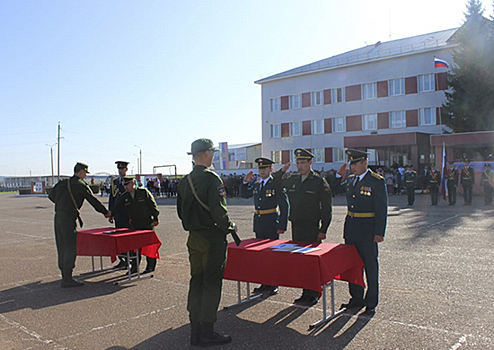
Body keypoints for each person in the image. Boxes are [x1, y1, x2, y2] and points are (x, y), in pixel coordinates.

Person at [177, 138, 236, 347]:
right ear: (206, 154)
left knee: (197, 281)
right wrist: (230, 227)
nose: (213, 156)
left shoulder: (185, 181)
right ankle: (207, 332)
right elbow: (220, 213)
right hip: (212, 238)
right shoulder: (212, 179)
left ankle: (195, 331)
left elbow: (181, 214)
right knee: (211, 284)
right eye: (212, 153)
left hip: (194, 237)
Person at [272, 148, 332, 307]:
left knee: (312, 262)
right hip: (297, 225)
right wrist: (282, 170)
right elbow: (275, 182)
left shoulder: (319, 182)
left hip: (312, 226)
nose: (300, 166)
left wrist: (323, 229)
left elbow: (326, 208)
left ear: (310, 163)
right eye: (298, 163)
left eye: (303, 163)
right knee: (301, 261)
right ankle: (305, 292)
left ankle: (314, 293)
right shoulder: (292, 179)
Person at [332, 149, 387, 315]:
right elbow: (333, 190)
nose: (353, 166)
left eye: (356, 163)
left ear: (365, 162)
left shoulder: (376, 181)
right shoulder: (350, 180)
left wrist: (379, 232)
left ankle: (371, 301)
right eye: (351, 163)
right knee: (353, 266)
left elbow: (381, 208)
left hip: (368, 229)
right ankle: (356, 299)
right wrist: (337, 176)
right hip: (352, 228)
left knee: (370, 266)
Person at [48, 162, 110, 288]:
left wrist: (62, 205)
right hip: (69, 219)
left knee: (61, 246)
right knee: (70, 246)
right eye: (85, 173)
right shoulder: (80, 185)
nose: (85, 176)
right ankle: (67, 278)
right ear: (81, 172)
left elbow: (51, 196)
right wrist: (105, 212)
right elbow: (93, 201)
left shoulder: (62, 183)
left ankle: (64, 274)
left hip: (58, 217)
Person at [240, 157, 289, 296]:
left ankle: (273, 283)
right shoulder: (256, 184)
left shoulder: (276, 183)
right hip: (259, 222)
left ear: (271, 169)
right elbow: (244, 195)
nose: (262, 170)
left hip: (272, 222)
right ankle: (264, 283)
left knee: (272, 255)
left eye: (265, 168)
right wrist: (245, 182)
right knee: (261, 256)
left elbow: (284, 205)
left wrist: (282, 225)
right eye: (260, 168)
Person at [110, 176, 160, 274]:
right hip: (135, 224)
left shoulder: (143, 192)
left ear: (133, 183)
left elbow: (152, 205)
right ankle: (134, 268)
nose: (125, 187)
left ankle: (150, 267)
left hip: (146, 223)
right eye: (124, 185)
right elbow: (117, 207)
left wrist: (155, 218)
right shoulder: (124, 196)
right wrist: (110, 214)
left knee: (149, 246)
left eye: (127, 184)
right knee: (134, 248)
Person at [109, 161, 132, 269]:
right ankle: (122, 260)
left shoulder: (131, 181)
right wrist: (111, 213)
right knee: (119, 238)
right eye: (119, 169)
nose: (120, 171)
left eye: (122, 169)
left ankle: (131, 259)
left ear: (126, 169)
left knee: (128, 238)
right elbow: (112, 198)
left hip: (128, 214)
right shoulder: (115, 182)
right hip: (118, 214)